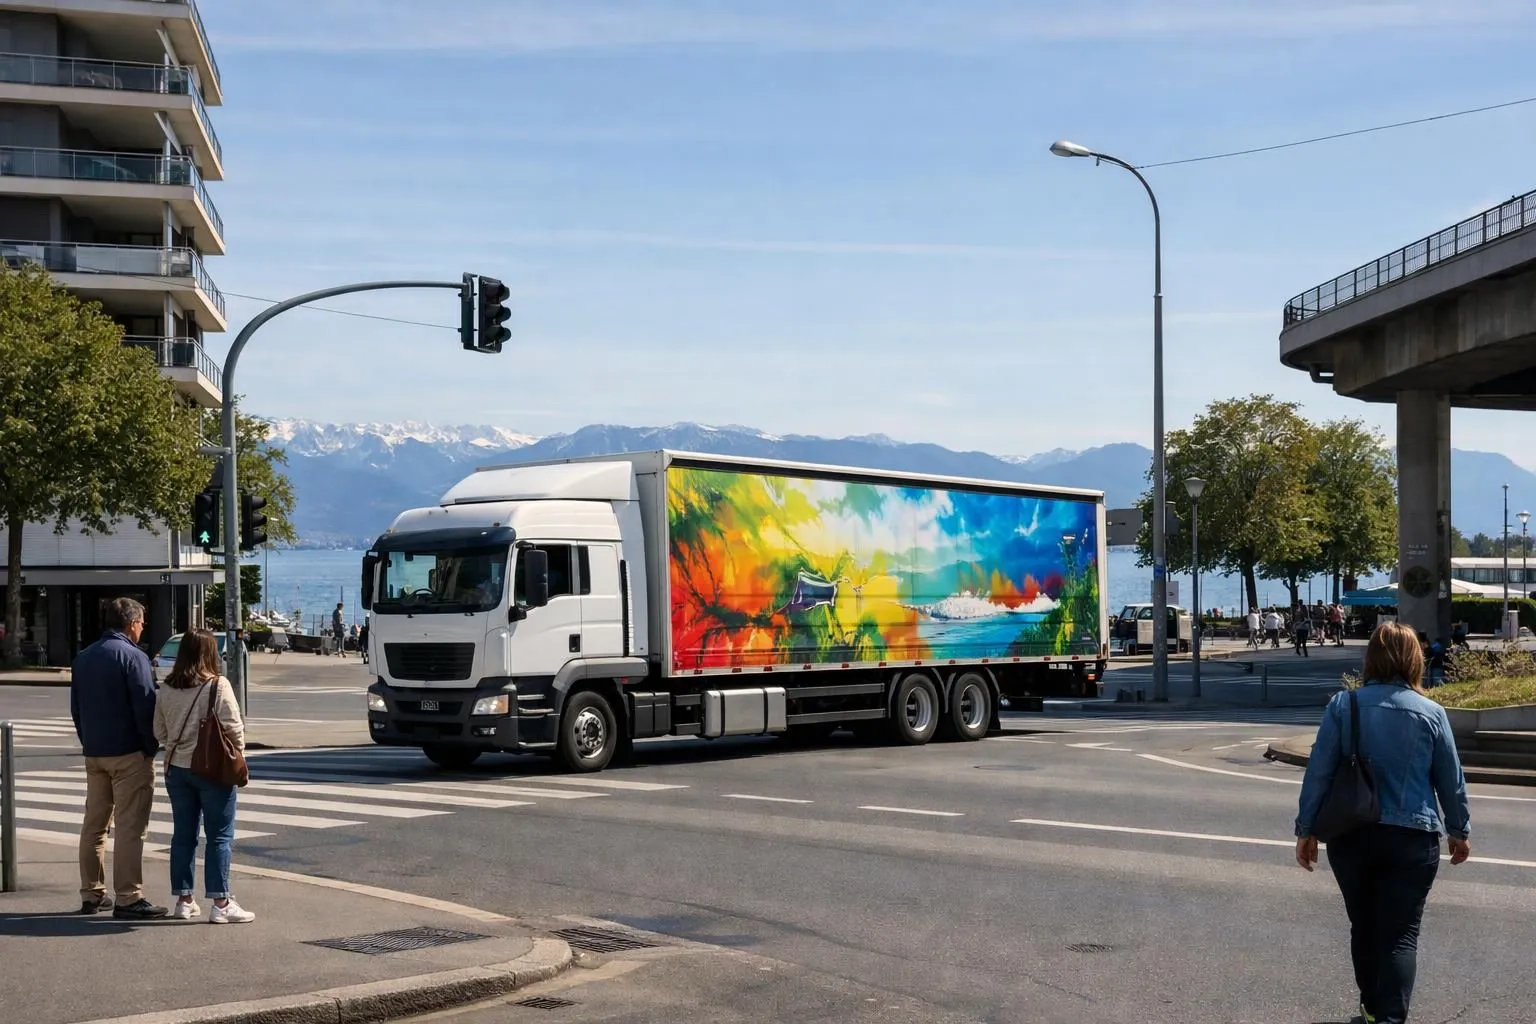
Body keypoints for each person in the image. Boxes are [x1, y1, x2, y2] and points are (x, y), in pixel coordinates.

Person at [1293, 622, 1471, 1024]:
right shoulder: (1432, 713)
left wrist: (1308, 829)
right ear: (1415, 660)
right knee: (1400, 935)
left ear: (1370, 657)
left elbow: (1319, 772)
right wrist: (1459, 831)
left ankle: (1371, 1008)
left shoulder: (1344, 706)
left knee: (1364, 926)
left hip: (1351, 833)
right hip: (1412, 836)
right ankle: (1388, 1019)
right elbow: (1450, 778)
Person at [70, 597, 166, 918]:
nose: (142, 628)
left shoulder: (83, 658)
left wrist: (89, 741)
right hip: (128, 754)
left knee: (94, 826)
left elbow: (77, 710)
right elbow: (145, 708)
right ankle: (127, 896)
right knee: (129, 827)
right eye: (141, 623)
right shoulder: (133, 657)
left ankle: (91, 893)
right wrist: (149, 749)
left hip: (95, 752)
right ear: (130, 623)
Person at [153, 629, 254, 924]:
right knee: (219, 836)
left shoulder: (167, 688)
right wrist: (238, 758)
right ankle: (221, 902)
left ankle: (184, 900)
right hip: (211, 770)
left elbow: (158, 731)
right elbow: (234, 729)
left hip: (176, 769)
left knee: (183, 836)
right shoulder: (217, 685)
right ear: (210, 654)